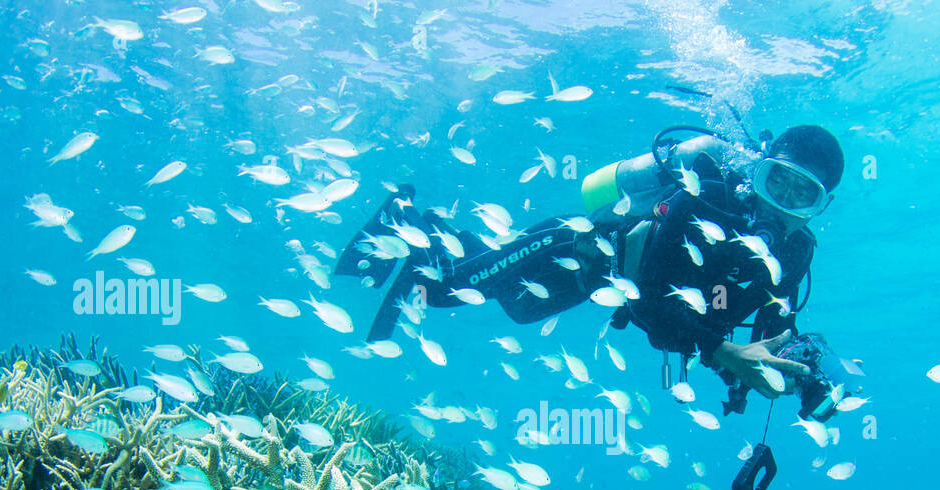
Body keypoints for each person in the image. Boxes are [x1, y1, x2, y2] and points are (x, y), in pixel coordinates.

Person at [335, 122, 845, 418]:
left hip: (594, 287)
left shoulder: (796, 253)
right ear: (762, 170)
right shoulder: (705, 196)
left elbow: (773, 328)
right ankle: (404, 220)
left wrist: (801, 372)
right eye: (781, 182)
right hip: (575, 247)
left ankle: (435, 230)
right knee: (449, 292)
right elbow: (648, 299)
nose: (784, 205)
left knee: (515, 308)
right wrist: (722, 351)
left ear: (820, 206)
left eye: (805, 197)